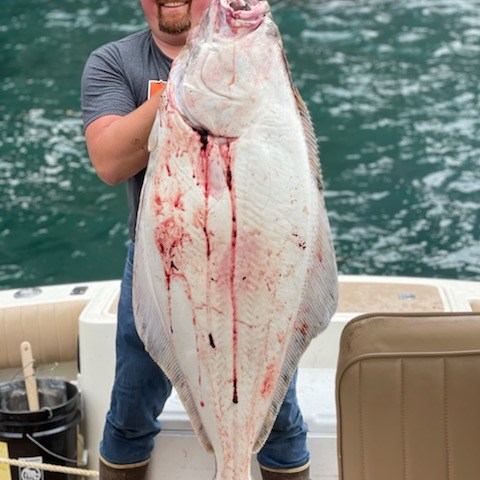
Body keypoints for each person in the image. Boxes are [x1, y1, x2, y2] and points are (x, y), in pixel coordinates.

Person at [81, 1, 311, 479]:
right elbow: (107, 161)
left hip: (258, 271)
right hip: (162, 270)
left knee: (281, 419)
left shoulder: (249, 59)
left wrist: (220, 56)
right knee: (129, 413)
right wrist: (187, 85)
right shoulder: (115, 62)